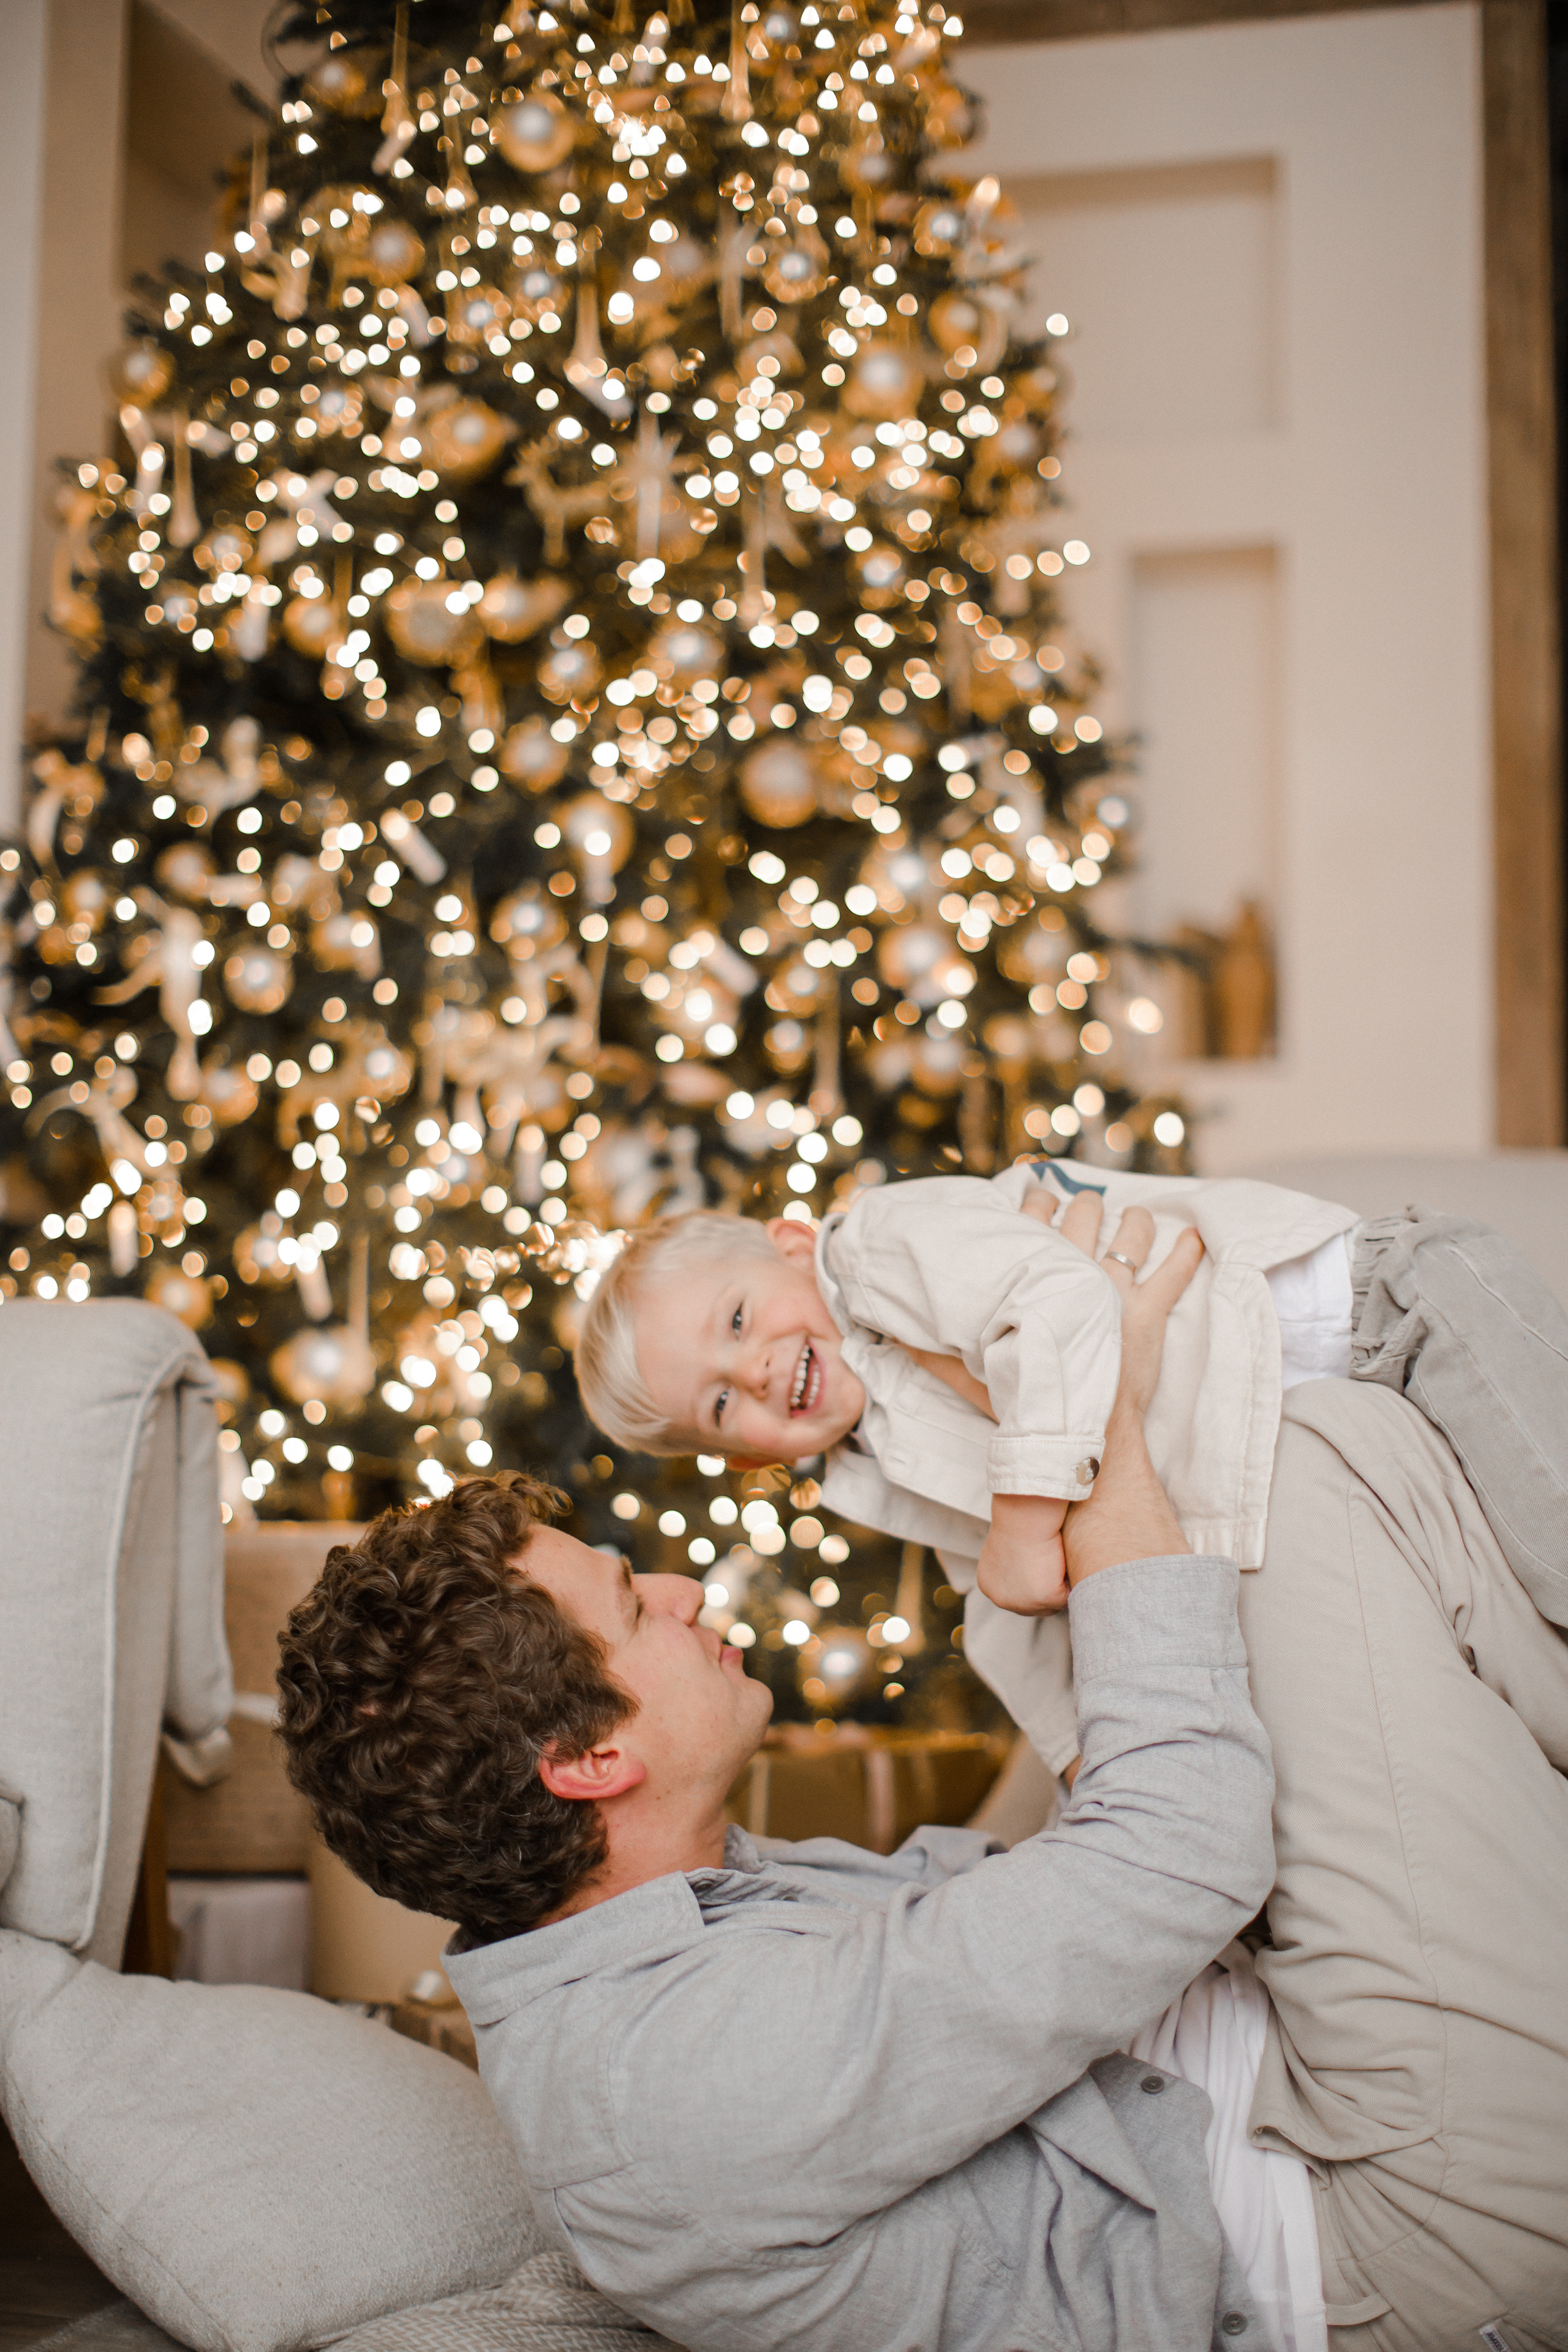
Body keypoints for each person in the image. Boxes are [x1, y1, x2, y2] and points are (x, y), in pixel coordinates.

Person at [277, 1223, 1568, 2352]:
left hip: (1289, 2063)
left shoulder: (686, 1917)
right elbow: (1178, 1847)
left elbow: (1088, 1904)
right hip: (1387, 2215)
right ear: (587, 1761)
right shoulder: (678, 2076)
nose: (681, 1591)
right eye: (631, 1606)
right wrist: (1095, 1413)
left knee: (1337, 1434)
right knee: (1293, 1481)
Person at [574, 1161, 1568, 1781]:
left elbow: (1060, 1302)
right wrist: (1082, 1757)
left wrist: (1021, 1522)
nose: (752, 1371)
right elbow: (1002, 1609)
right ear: (748, 1456)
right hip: (1337, 1425)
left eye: (737, 1320)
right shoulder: (873, 1457)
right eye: (719, 1404)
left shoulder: (876, 1248)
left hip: (1390, 1304)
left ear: (794, 1247)